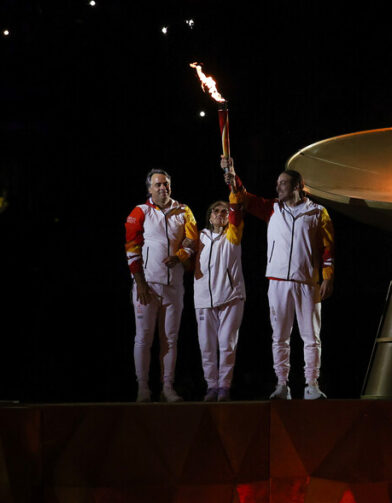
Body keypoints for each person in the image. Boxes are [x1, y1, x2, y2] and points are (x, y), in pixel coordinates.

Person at [222, 156, 334, 400]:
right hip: (278, 282)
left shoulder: (317, 212)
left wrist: (327, 277)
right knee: (280, 337)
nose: (278, 187)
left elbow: (327, 248)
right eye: (277, 183)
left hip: (307, 282)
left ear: (297, 186)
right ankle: (282, 385)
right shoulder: (272, 208)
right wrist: (232, 173)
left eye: (283, 183)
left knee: (311, 337)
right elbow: (244, 197)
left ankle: (311, 384)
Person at [125, 169, 198, 402]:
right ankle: (143, 388)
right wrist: (140, 284)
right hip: (147, 286)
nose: (162, 188)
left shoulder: (184, 210)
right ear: (149, 189)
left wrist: (180, 255)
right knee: (144, 338)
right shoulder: (140, 212)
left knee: (170, 338)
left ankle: (167, 387)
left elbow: (191, 239)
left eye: (165, 184)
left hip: (174, 286)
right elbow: (131, 248)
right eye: (157, 185)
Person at [189, 172, 246, 401]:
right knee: (206, 347)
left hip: (231, 298)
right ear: (209, 217)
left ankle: (224, 387)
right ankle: (211, 387)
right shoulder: (199, 237)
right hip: (203, 300)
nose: (221, 214)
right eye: (216, 211)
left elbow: (237, 209)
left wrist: (232, 184)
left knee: (226, 345)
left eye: (224, 211)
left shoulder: (233, 235)